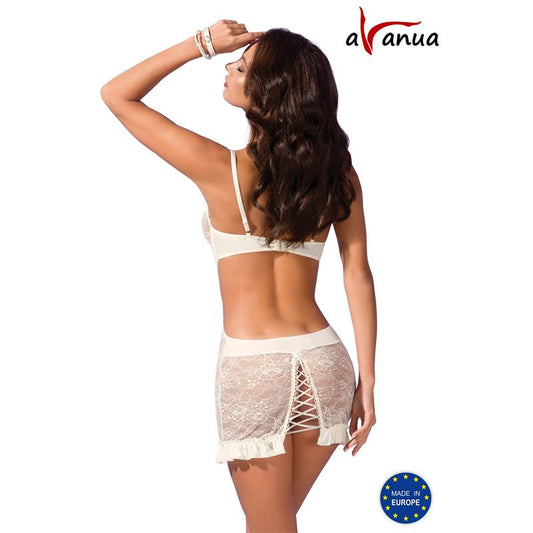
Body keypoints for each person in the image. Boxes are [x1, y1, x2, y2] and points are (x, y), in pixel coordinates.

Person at [101, 19, 377, 533]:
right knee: (273, 524)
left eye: (243, 67)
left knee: (269, 527)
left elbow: (117, 94)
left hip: (254, 370)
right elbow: (357, 274)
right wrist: (369, 379)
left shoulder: (218, 167)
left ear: (268, 91)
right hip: (327, 365)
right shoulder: (337, 174)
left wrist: (201, 44)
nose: (228, 67)